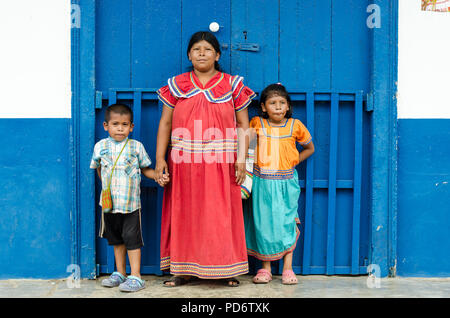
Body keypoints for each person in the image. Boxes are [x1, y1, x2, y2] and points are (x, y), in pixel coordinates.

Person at [155, 31, 256, 287]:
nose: (201, 53)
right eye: (196, 49)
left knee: (220, 214)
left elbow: (244, 124)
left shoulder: (232, 84)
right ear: (189, 55)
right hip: (183, 159)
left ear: (217, 55)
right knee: (185, 212)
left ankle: (227, 269)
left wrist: (241, 159)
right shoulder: (177, 84)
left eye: (207, 49)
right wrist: (159, 159)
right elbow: (166, 122)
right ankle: (183, 269)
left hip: (222, 160)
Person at [90, 103, 169, 292]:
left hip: (130, 204)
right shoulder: (100, 147)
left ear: (131, 127)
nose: (120, 128)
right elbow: (99, 168)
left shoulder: (136, 147)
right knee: (116, 240)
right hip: (109, 204)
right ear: (106, 126)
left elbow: (145, 170)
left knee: (132, 240)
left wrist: (158, 176)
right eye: (115, 124)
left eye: (124, 124)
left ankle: (136, 276)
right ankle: (120, 273)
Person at [244, 83, 315, 285]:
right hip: (262, 183)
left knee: (287, 223)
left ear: (287, 106)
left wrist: (293, 161)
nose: (277, 106)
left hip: (286, 183)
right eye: (272, 103)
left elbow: (310, 148)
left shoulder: (296, 125)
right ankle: (265, 269)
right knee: (263, 224)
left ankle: (287, 268)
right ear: (264, 107)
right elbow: (248, 148)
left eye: (282, 103)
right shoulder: (257, 123)